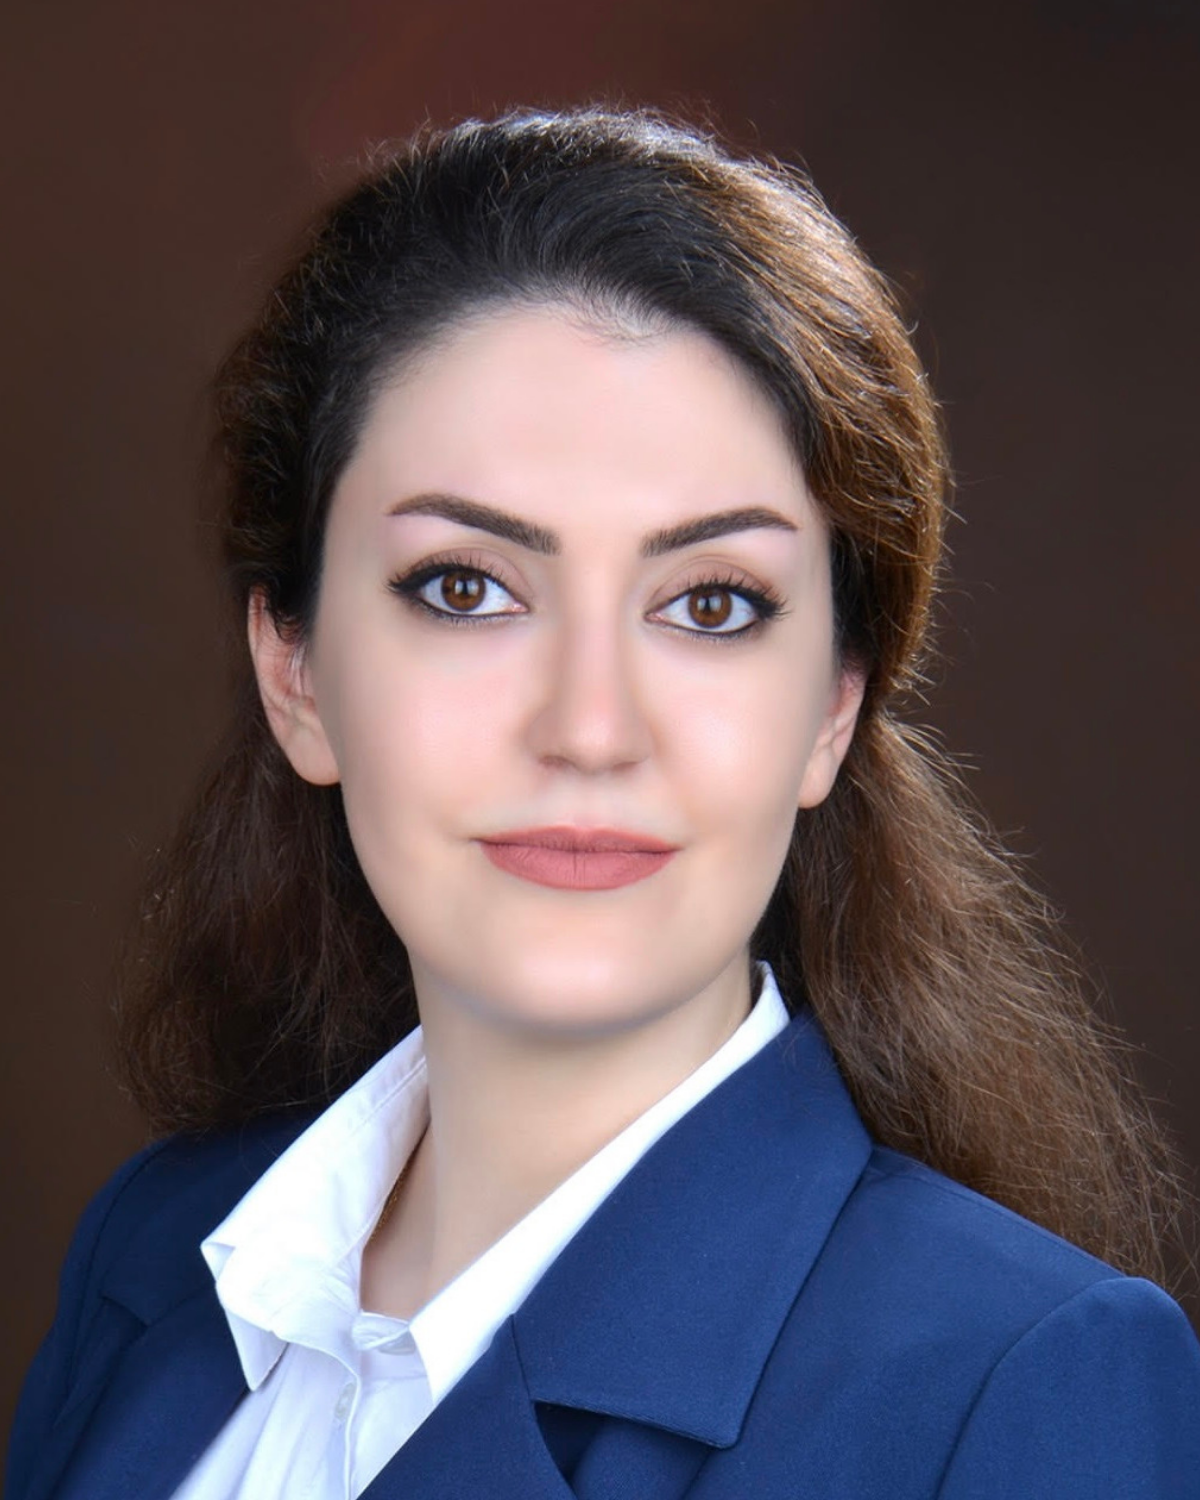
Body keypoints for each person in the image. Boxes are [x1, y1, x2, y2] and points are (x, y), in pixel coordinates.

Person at [8, 105, 1199, 1500]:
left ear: (833, 711)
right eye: (467, 588)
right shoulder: (158, 1251)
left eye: (710, 604)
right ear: (297, 673)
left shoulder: (1018, 1386)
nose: (588, 729)